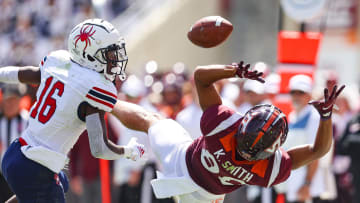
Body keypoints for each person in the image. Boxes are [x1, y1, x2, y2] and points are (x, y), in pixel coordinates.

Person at [110, 61, 345, 202]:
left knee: (152, 121)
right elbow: (318, 150)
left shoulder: (224, 124)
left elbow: (200, 76)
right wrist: (326, 117)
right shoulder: (269, 167)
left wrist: (234, 71)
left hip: (181, 162)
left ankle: (106, 99)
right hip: (207, 198)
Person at [0, 18, 145, 203]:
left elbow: (23, 73)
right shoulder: (93, 89)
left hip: (17, 153)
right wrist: (129, 151)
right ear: (90, 54)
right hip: (37, 166)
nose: (114, 59)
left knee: (59, 183)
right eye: (109, 53)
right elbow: (100, 149)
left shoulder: (58, 63)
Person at [0, 84, 29, 203]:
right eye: (7, 100)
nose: (10, 104)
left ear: (20, 101)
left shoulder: (28, 121)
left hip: (22, 176)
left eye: (14, 100)